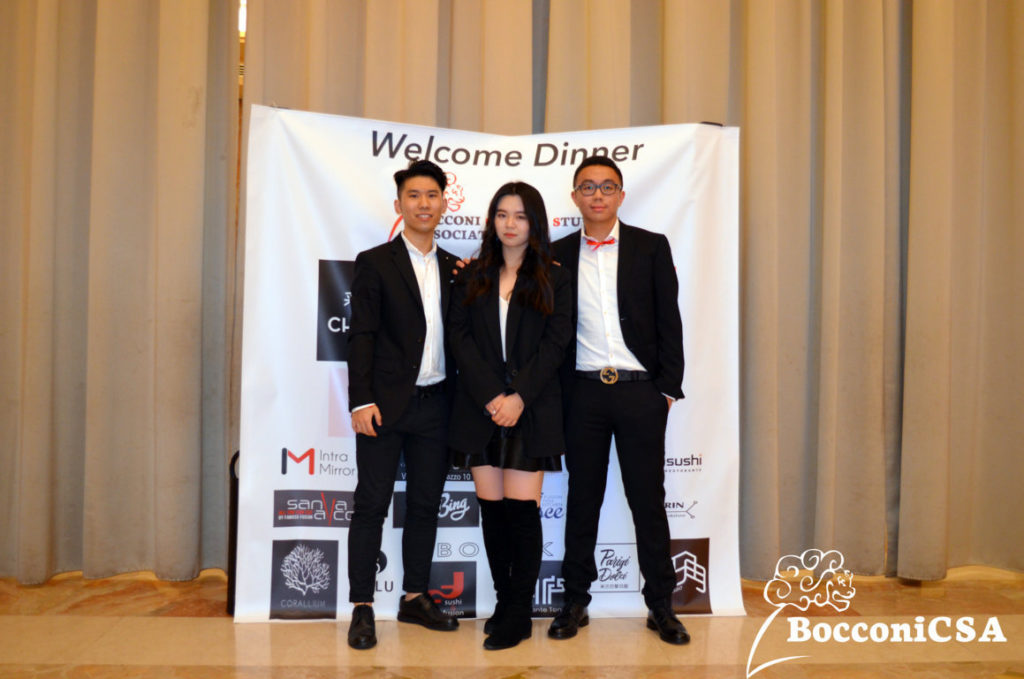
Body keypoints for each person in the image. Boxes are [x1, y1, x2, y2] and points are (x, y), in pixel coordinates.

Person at [547, 156, 690, 645]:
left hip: (640, 392)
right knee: (582, 499)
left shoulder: (651, 247)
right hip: (583, 394)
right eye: (588, 187)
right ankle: (574, 602)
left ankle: (661, 605)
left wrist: (665, 390)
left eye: (607, 186)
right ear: (574, 197)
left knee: (647, 500)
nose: (598, 195)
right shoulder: (556, 255)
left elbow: (670, 322)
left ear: (621, 195)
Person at [447, 182, 572, 650]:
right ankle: (505, 604)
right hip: (479, 408)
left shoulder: (555, 278)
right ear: (492, 221)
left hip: (531, 408)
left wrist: (517, 397)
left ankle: (519, 613)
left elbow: (556, 344)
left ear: (534, 222)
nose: (510, 224)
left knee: (521, 513)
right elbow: (459, 339)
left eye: (520, 216)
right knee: (493, 513)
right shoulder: (472, 275)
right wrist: (491, 396)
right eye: (502, 214)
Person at [346, 159, 461, 650]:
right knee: (371, 505)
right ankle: (362, 606)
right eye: (414, 196)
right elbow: (361, 336)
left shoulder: (456, 268)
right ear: (399, 205)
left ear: (444, 203)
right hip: (384, 407)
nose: (423, 204)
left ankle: (415, 596)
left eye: (432, 195)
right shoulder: (374, 262)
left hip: (437, 406)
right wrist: (361, 400)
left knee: (425, 505)